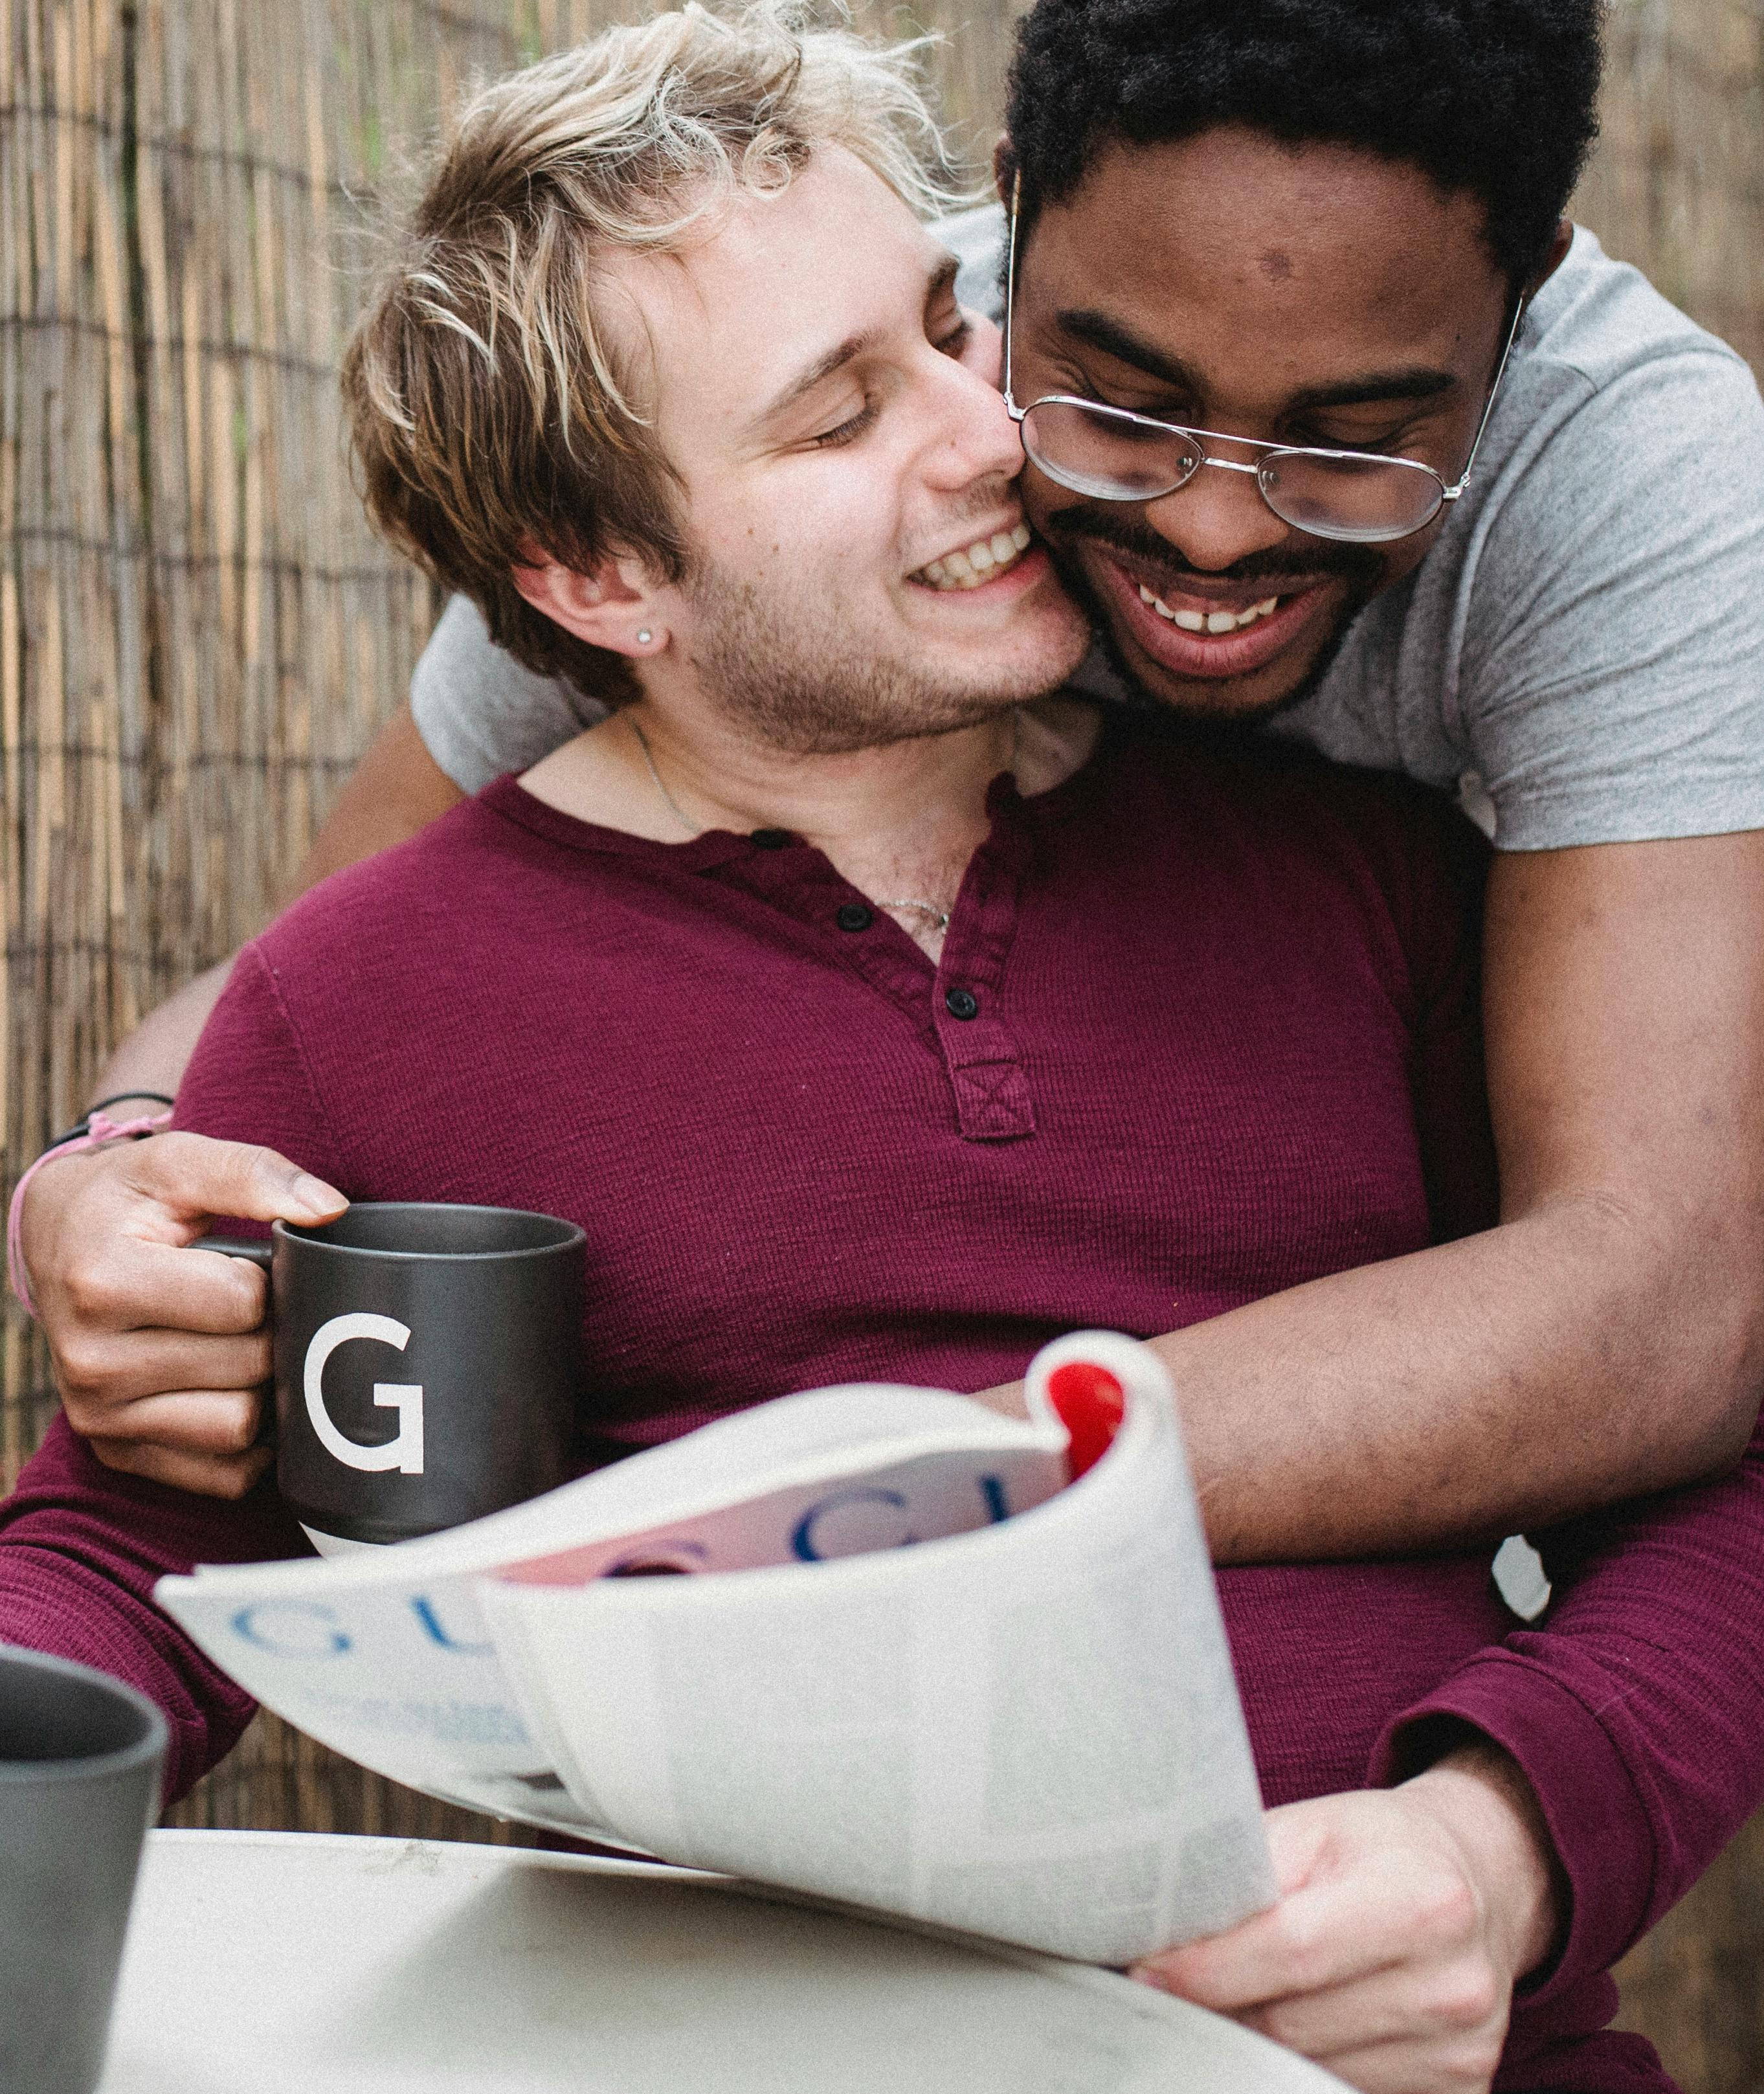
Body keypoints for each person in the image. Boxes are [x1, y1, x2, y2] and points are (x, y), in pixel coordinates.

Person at [3, 17, 1763, 2093]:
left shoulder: (1377, 882)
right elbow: (132, 1547)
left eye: (955, 334)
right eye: (847, 411)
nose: (986, 428)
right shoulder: (400, 987)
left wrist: (1518, 1824)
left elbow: (1694, 1396)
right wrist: (119, 1155)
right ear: (599, 575)